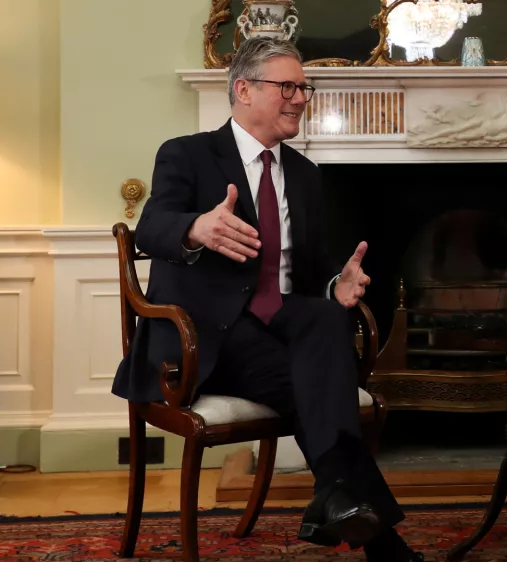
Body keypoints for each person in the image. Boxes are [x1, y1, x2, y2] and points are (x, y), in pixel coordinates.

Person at [112, 37, 421, 561]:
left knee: (324, 318)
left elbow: (312, 271)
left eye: (304, 88)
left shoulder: (305, 175)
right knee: (323, 387)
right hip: (204, 338)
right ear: (244, 90)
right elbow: (151, 229)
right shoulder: (186, 153)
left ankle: (338, 499)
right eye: (288, 87)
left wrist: (335, 286)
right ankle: (380, 540)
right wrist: (196, 228)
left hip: (279, 326)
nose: (301, 98)